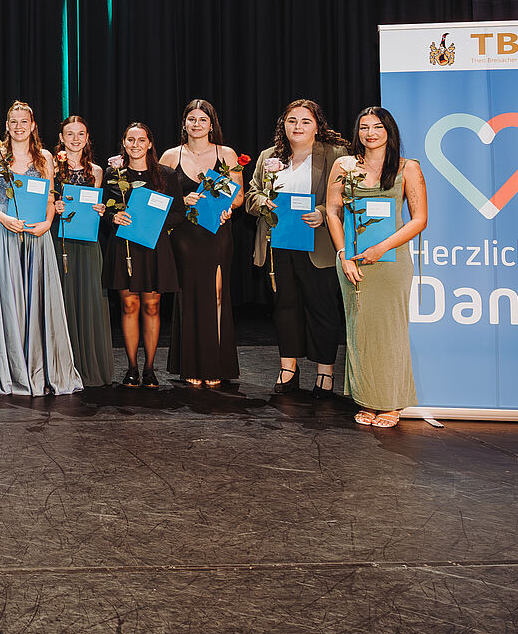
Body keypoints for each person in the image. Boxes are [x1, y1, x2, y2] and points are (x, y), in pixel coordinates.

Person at [0, 102, 82, 396]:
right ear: (7, 126)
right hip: (2, 233)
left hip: (36, 235)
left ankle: (37, 367)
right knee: (7, 302)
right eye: (13, 122)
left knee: (37, 302)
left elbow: (50, 198)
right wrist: (4, 218)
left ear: (32, 125)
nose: (18, 126)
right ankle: (9, 369)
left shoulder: (45, 157)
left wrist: (48, 223)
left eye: (24, 121)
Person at [326, 107, 427, 428]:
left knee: (390, 330)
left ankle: (391, 403)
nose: (370, 133)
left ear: (389, 131)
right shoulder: (344, 165)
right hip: (352, 261)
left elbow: (419, 219)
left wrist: (381, 248)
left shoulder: (408, 168)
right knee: (360, 331)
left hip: (390, 262)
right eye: (364, 127)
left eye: (377, 127)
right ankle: (367, 400)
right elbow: (332, 212)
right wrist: (343, 255)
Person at [244, 100, 349, 396]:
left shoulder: (335, 154)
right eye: (292, 121)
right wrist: (262, 203)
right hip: (278, 243)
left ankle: (325, 372)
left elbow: (350, 196)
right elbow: (251, 194)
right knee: (285, 307)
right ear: (284, 125)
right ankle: (288, 368)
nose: (298, 127)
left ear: (317, 126)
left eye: (305, 121)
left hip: (319, 244)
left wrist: (324, 212)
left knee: (322, 308)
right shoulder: (269, 156)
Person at [159, 100, 244, 388]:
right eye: (192, 119)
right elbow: (160, 199)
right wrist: (182, 201)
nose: (197, 124)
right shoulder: (171, 156)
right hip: (185, 235)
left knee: (217, 294)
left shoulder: (226, 154)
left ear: (211, 124)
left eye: (203, 119)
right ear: (184, 123)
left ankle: (214, 362)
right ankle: (191, 363)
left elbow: (239, 196)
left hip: (218, 232)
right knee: (190, 296)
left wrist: (229, 207)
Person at [102, 122, 178, 388]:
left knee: (152, 306)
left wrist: (156, 221)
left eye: (141, 140)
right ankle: (132, 367)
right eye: (130, 140)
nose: (135, 145)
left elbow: (178, 214)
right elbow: (104, 211)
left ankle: (150, 369)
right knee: (129, 306)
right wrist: (113, 217)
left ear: (150, 143)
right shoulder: (113, 174)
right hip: (124, 247)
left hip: (154, 248)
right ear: (123, 143)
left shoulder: (166, 175)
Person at [54, 116, 115, 387]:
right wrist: (53, 205)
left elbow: (96, 206)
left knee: (89, 299)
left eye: (81, 134)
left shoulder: (97, 171)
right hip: (59, 240)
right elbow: (44, 201)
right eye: (70, 134)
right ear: (61, 138)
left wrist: (101, 210)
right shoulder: (51, 166)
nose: (75, 139)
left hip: (88, 242)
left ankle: (87, 365)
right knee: (61, 298)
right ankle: (60, 367)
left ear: (87, 137)